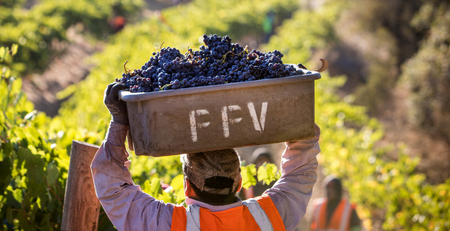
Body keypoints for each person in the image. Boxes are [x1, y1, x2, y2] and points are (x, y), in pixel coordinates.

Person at [91, 82, 321, 231]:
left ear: (186, 187)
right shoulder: (271, 216)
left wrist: (119, 121)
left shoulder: (169, 224)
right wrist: (296, 99)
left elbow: (112, 189)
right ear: (239, 184)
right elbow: (301, 172)